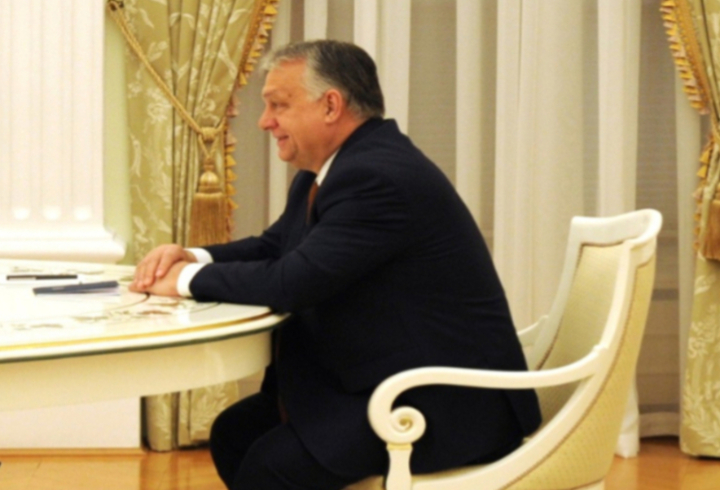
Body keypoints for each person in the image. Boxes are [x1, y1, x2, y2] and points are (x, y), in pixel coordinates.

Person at [130, 40, 541, 490]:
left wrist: (184, 281)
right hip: (382, 377)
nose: (265, 121)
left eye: (278, 105)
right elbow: (276, 246)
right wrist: (193, 256)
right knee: (236, 433)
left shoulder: (377, 176)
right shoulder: (332, 169)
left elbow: (293, 282)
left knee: (270, 465)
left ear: (330, 105)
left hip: (444, 403)